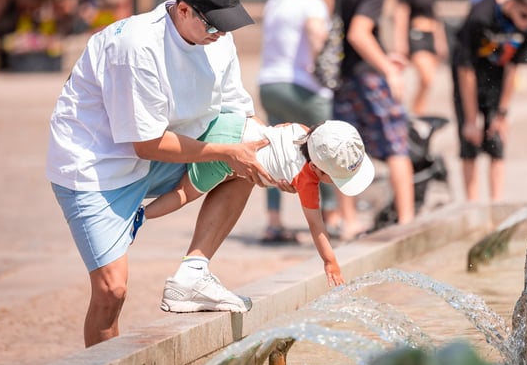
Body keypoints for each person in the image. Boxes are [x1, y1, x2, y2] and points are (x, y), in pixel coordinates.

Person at [46, 0, 283, 347]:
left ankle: (193, 273)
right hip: (94, 164)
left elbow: (240, 113)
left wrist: (276, 155)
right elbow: (146, 143)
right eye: (213, 24)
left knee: (247, 154)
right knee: (111, 292)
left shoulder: (218, 39)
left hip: (161, 150)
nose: (220, 33)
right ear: (183, 9)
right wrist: (227, 152)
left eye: (227, 24)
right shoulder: (136, 47)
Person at [142, 117, 375, 288]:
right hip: (226, 155)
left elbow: (282, 130)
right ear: (315, 167)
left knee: (229, 180)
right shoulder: (306, 181)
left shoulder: (303, 130)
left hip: (236, 124)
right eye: (334, 177)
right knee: (183, 193)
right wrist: (330, 262)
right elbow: (317, 227)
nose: (333, 183)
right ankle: (141, 216)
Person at [330, 0, 419, 237]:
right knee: (397, 145)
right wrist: (388, 69)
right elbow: (359, 33)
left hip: (344, 76)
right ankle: (407, 224)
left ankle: (349, 222)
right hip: (368, 77)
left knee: (344, 148)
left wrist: (383, 54)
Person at [257, 0, 341, 244]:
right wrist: (324, 64)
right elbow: (317, 34)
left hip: (269, 83)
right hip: (302, 85)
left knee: (274, 151)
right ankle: (332, 217)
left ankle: (273, 222)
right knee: (326, 146)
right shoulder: (311, 1)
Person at [453, 0, 527, 202]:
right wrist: (471, 119)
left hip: (497, 77)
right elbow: (465, 69)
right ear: (512, 2)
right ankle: (472, 204)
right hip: (469, 75)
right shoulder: (481, 15)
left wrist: (502, 113)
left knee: (497, 139)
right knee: (470, 142)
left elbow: (513, 67)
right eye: (524, 15)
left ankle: (496, 204)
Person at [393, 0, 449, 116]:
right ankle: (415, 112)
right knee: (426, 76)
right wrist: (400, 43)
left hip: (431, 34)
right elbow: (401, 15)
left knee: (428, 81)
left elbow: (436, 17)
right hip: (416, 35)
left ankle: (419, 112)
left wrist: (441, 41)